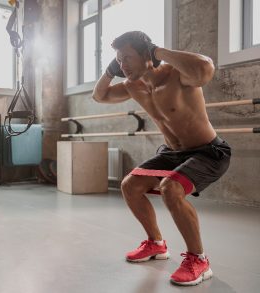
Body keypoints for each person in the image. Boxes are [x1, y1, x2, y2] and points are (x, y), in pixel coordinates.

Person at [92, 31, 231, 286]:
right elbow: (99, 96)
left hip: (208, 151)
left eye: (127, 58)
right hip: (170, 152)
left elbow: (205, 68)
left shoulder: (177, 75)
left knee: (171, 188)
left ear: (147, 54)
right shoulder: (134, 86)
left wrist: (157, 51)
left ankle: (198, 259)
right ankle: (156, 244)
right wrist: (110, 71)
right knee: (130, 186)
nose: (123, 64)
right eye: (118, 60)